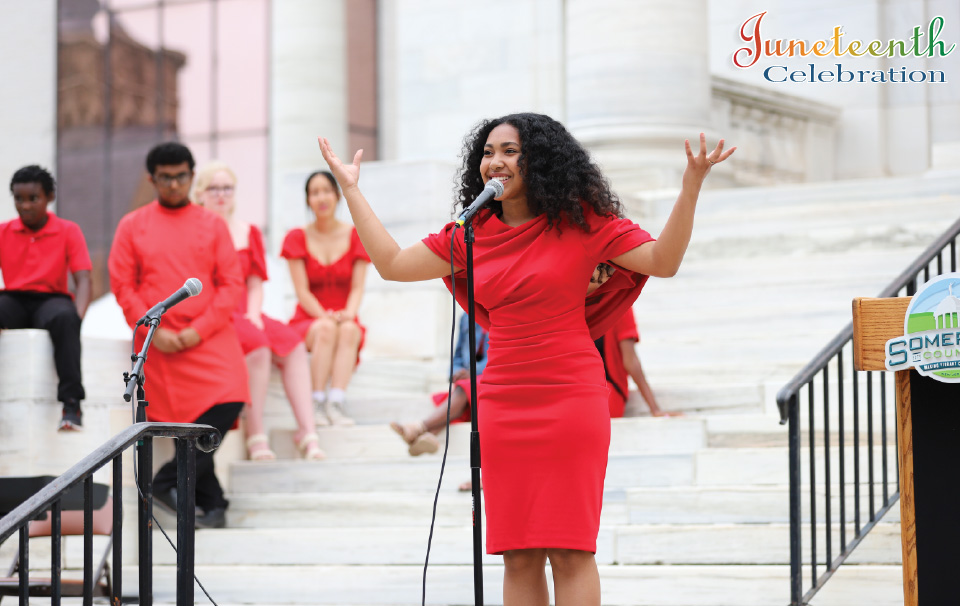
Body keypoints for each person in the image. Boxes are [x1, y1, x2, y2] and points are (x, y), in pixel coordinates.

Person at [318, 112, 734, 606]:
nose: (495, 162)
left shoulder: (582, 223)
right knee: (516, 554)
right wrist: (351, 190)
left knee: (570, 549)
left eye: (510, 151)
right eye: (488, 153)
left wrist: (691, 186)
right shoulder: (470, 234)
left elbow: (663, 261)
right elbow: (392, 265)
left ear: (540, 160)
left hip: (569, 397)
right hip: (503, 401)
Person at [109, 142, 250, 529]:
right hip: (159, 344)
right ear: (152, 179)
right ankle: (214, 502)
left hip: (209, 337)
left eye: (181, 176)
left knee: (230, 400)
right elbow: (123, 285)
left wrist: (195, 331)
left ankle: (164, 481)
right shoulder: (132, 225)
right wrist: (158, 329)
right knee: (188, 426)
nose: (174, 184)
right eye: (166, 177)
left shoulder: (212, 224)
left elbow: (230, 284)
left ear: (191, 175)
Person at [194, 161, 324, 461]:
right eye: (214, 188)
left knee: (291, 344)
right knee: (259, 348)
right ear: (200, 192)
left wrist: (254, 314)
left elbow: (254, 284)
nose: (221, 195)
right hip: (216, 313)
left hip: (246, 311)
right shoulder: (197, 232)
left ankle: (308, 431)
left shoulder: (248, 231)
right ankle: (256, 435)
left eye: (227, 188)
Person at [0, 165, 91, 431]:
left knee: (65, 317)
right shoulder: (3, 231)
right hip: (13, 300)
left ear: (49, 197)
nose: (25, 206)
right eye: (19, 199)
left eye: (33, 198)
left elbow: (84, 279)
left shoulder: (68, 230)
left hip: (51, 300)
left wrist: (78, 317)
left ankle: (72, 405)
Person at [281, 171, 370, 427]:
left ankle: (336, 402)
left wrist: (349, 314)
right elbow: (302, 291)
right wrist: (324, 316)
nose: (321, 198)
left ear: (338, 196)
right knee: (326, 328)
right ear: (307, 199)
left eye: (326, 191)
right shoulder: (297, 237)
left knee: (350, 330)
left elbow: (357, 288)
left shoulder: (355, 235)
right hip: (309, 319)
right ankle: (317, 402)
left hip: (345, 315)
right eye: (314, 192)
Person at [390, 312, 489, 456]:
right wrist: (455, 373)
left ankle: (419, 429)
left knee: (466, 390)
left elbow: (507, 354)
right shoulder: (466, 316)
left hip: (494, 378)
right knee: (461, 395)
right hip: (471, 381)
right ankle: (427, 436)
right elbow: (458, 355)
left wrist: (474, 371)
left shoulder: (504, 311)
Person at [596, 306, 676, 417]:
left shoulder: (619, 303)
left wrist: (655, 409)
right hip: (588, 391)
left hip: (603, 394)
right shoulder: (576, 301)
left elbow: (630, 361)